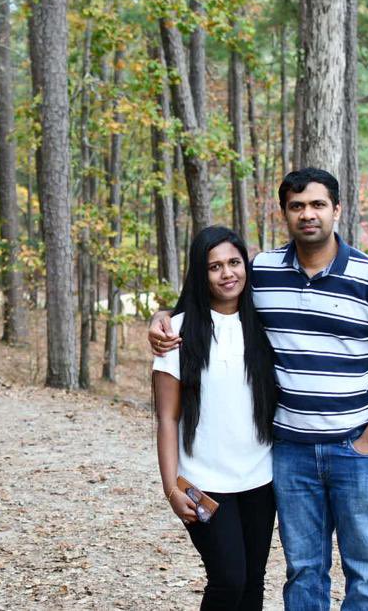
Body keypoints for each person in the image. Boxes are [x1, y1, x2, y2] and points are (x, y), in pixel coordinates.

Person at [149, 168, 368, 611]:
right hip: (291, 453)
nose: (308, 214)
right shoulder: (266, 272)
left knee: (366, 571)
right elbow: (209, 295)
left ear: (337, 209)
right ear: (285, 214)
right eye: (297, 206)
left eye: (317, 205)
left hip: (356, 451)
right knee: (303, 569)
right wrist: (162, 317)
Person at [152, 224, 278, 611]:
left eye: (235, 263)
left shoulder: (265, 324)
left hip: (261, 479)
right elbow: (167, 419)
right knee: (227, 580)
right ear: (200, 274)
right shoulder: (177, 332)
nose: (228, 273)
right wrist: (171, 488)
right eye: (215, 266)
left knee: (253, 583)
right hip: (205, 482)